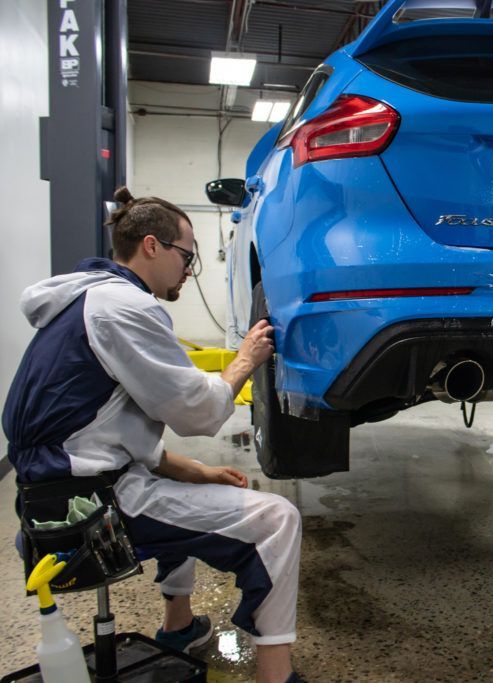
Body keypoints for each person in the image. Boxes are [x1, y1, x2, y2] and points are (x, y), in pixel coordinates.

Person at [3, 187, 304, 683]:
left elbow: (96, 427)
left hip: (46, 500)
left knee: (187, 489)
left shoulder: (79, 301)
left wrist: (197, 470)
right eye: (187, 256)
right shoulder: (124, 308)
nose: (189, 270)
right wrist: (246, 361)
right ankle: (277, 674)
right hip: (92, 512)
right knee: (277, 518)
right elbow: (198, 413)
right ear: (151, 246)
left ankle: (179, 627)